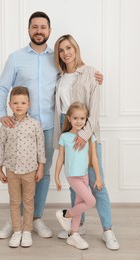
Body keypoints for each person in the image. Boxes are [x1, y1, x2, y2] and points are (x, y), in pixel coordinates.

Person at [0, 11, 103, 239]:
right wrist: (1, 113)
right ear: (28, 30)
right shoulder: (16, 58)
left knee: (41, 175)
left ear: (49, 31)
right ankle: (16, 220)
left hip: (50, 127)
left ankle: (35, 219)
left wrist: (96, 76)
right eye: (34, 27)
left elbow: (76, 77)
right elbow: (2, 88)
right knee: (16, 172)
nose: (39, 31)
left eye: (43, 27)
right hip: (21, 127)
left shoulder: (57, 59)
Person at [53, 34, 119, 250]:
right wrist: (67, 135)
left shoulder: (90, 73)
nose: (66, 53)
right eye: (61, 50)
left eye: (69, 47)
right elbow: (62, 112)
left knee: (97, 185)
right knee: (76, 184)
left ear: (76, 48)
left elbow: (95, 108)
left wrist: (84, 134)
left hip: (87, 133)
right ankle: (77, 225)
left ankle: (108, 230)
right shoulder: (60, 77)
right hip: (67, 130)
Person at [0, 86, 46, 247]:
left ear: (28, 104)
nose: (19, 106)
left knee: (29, 201)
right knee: (15, 201)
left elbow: (40, 147)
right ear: (10, 105)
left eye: (23, 102)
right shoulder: (6, 125)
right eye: (15, 103)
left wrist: (41, 168)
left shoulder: (35, 125)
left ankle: (27, 231)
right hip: (11, 171)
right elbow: (0, 146)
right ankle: (17, 231)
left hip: (30, 171)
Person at [55, 102, 103, 250]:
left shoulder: (90, 137)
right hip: (72, 176)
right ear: (69, 118)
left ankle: (73, 234)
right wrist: (56, 176)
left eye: (82, 118)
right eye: (75, 118)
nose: (79, 121)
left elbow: (94, 158)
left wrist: (98, 177)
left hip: (84, 176)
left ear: (86, 119)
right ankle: (65, 214)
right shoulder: (65, 137)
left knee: (79, 205)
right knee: (91, 201)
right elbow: (60, 158)